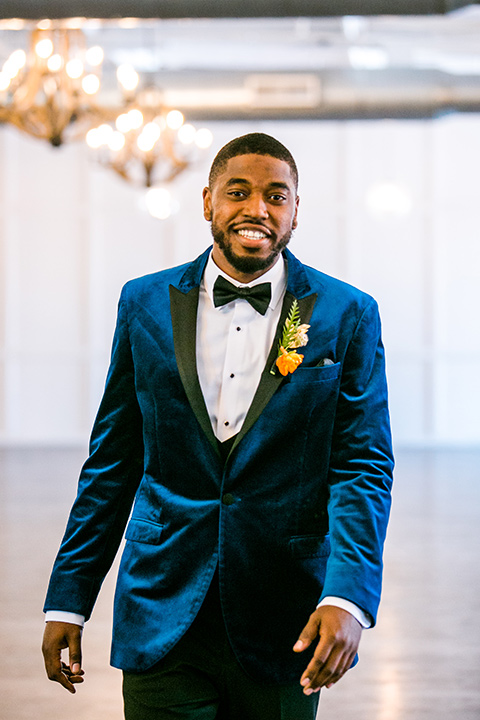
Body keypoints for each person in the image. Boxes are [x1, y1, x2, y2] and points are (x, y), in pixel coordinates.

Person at [42, 132, 394, 720]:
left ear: (295, 213)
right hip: (161, 610)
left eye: (276, 196)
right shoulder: (144, 304)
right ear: (208, 201)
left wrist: (348, 596)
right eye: (239, 191)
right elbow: (112, 461)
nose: (257, 208)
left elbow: (362, 466)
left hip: (286, 620)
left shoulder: (346, 313)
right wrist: (69, 600)